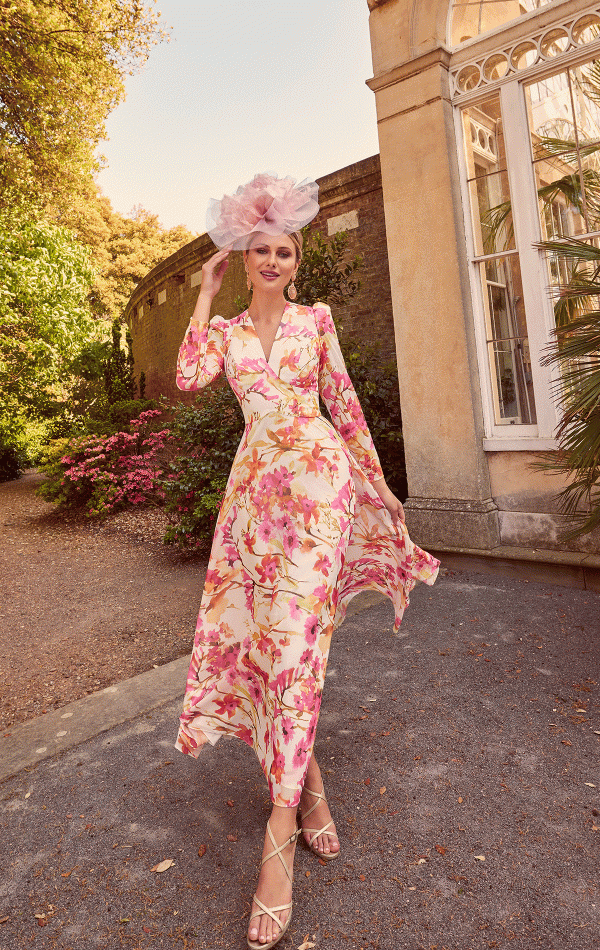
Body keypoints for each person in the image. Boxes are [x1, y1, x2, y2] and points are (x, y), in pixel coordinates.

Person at [174, 173, 440, 949]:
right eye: (259, 249)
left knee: (294, 650)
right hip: (253, 504)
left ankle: (279, 836)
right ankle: (313, 789)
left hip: (318, 492)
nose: (272, 259)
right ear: (243, 255)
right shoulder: (222, 336)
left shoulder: (316, 322)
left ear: (296, 260)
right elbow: (189, 377)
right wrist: (201, 292)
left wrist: (382, 487)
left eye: (283, 249)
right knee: (272, 654)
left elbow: (347, 405)